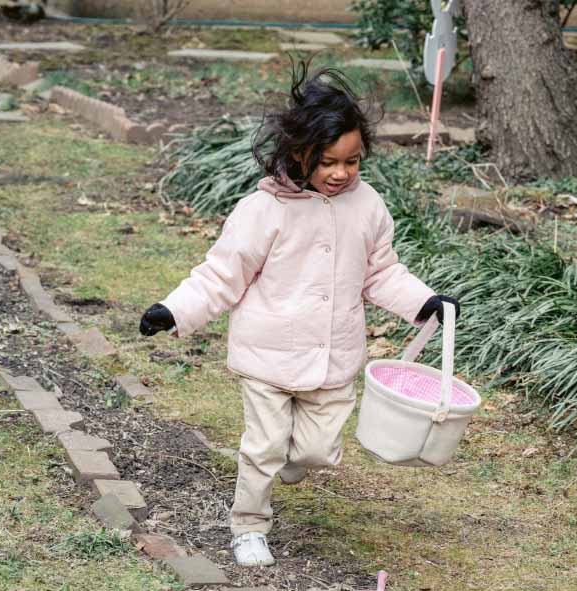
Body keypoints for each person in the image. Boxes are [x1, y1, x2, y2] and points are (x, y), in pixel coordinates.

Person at [138, 62, 459, 565]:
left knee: (316, 451)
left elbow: (381, 272)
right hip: (268, 356)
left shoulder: (368, 206)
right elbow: (223, 275)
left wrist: (424, 301)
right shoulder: (263, 211)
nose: (341, 173)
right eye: (329, 161)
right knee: (263, 447)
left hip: (333, 358)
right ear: (298, 153)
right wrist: (174, 310)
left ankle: (291, 459)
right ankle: (249, 527)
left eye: (352, 161)